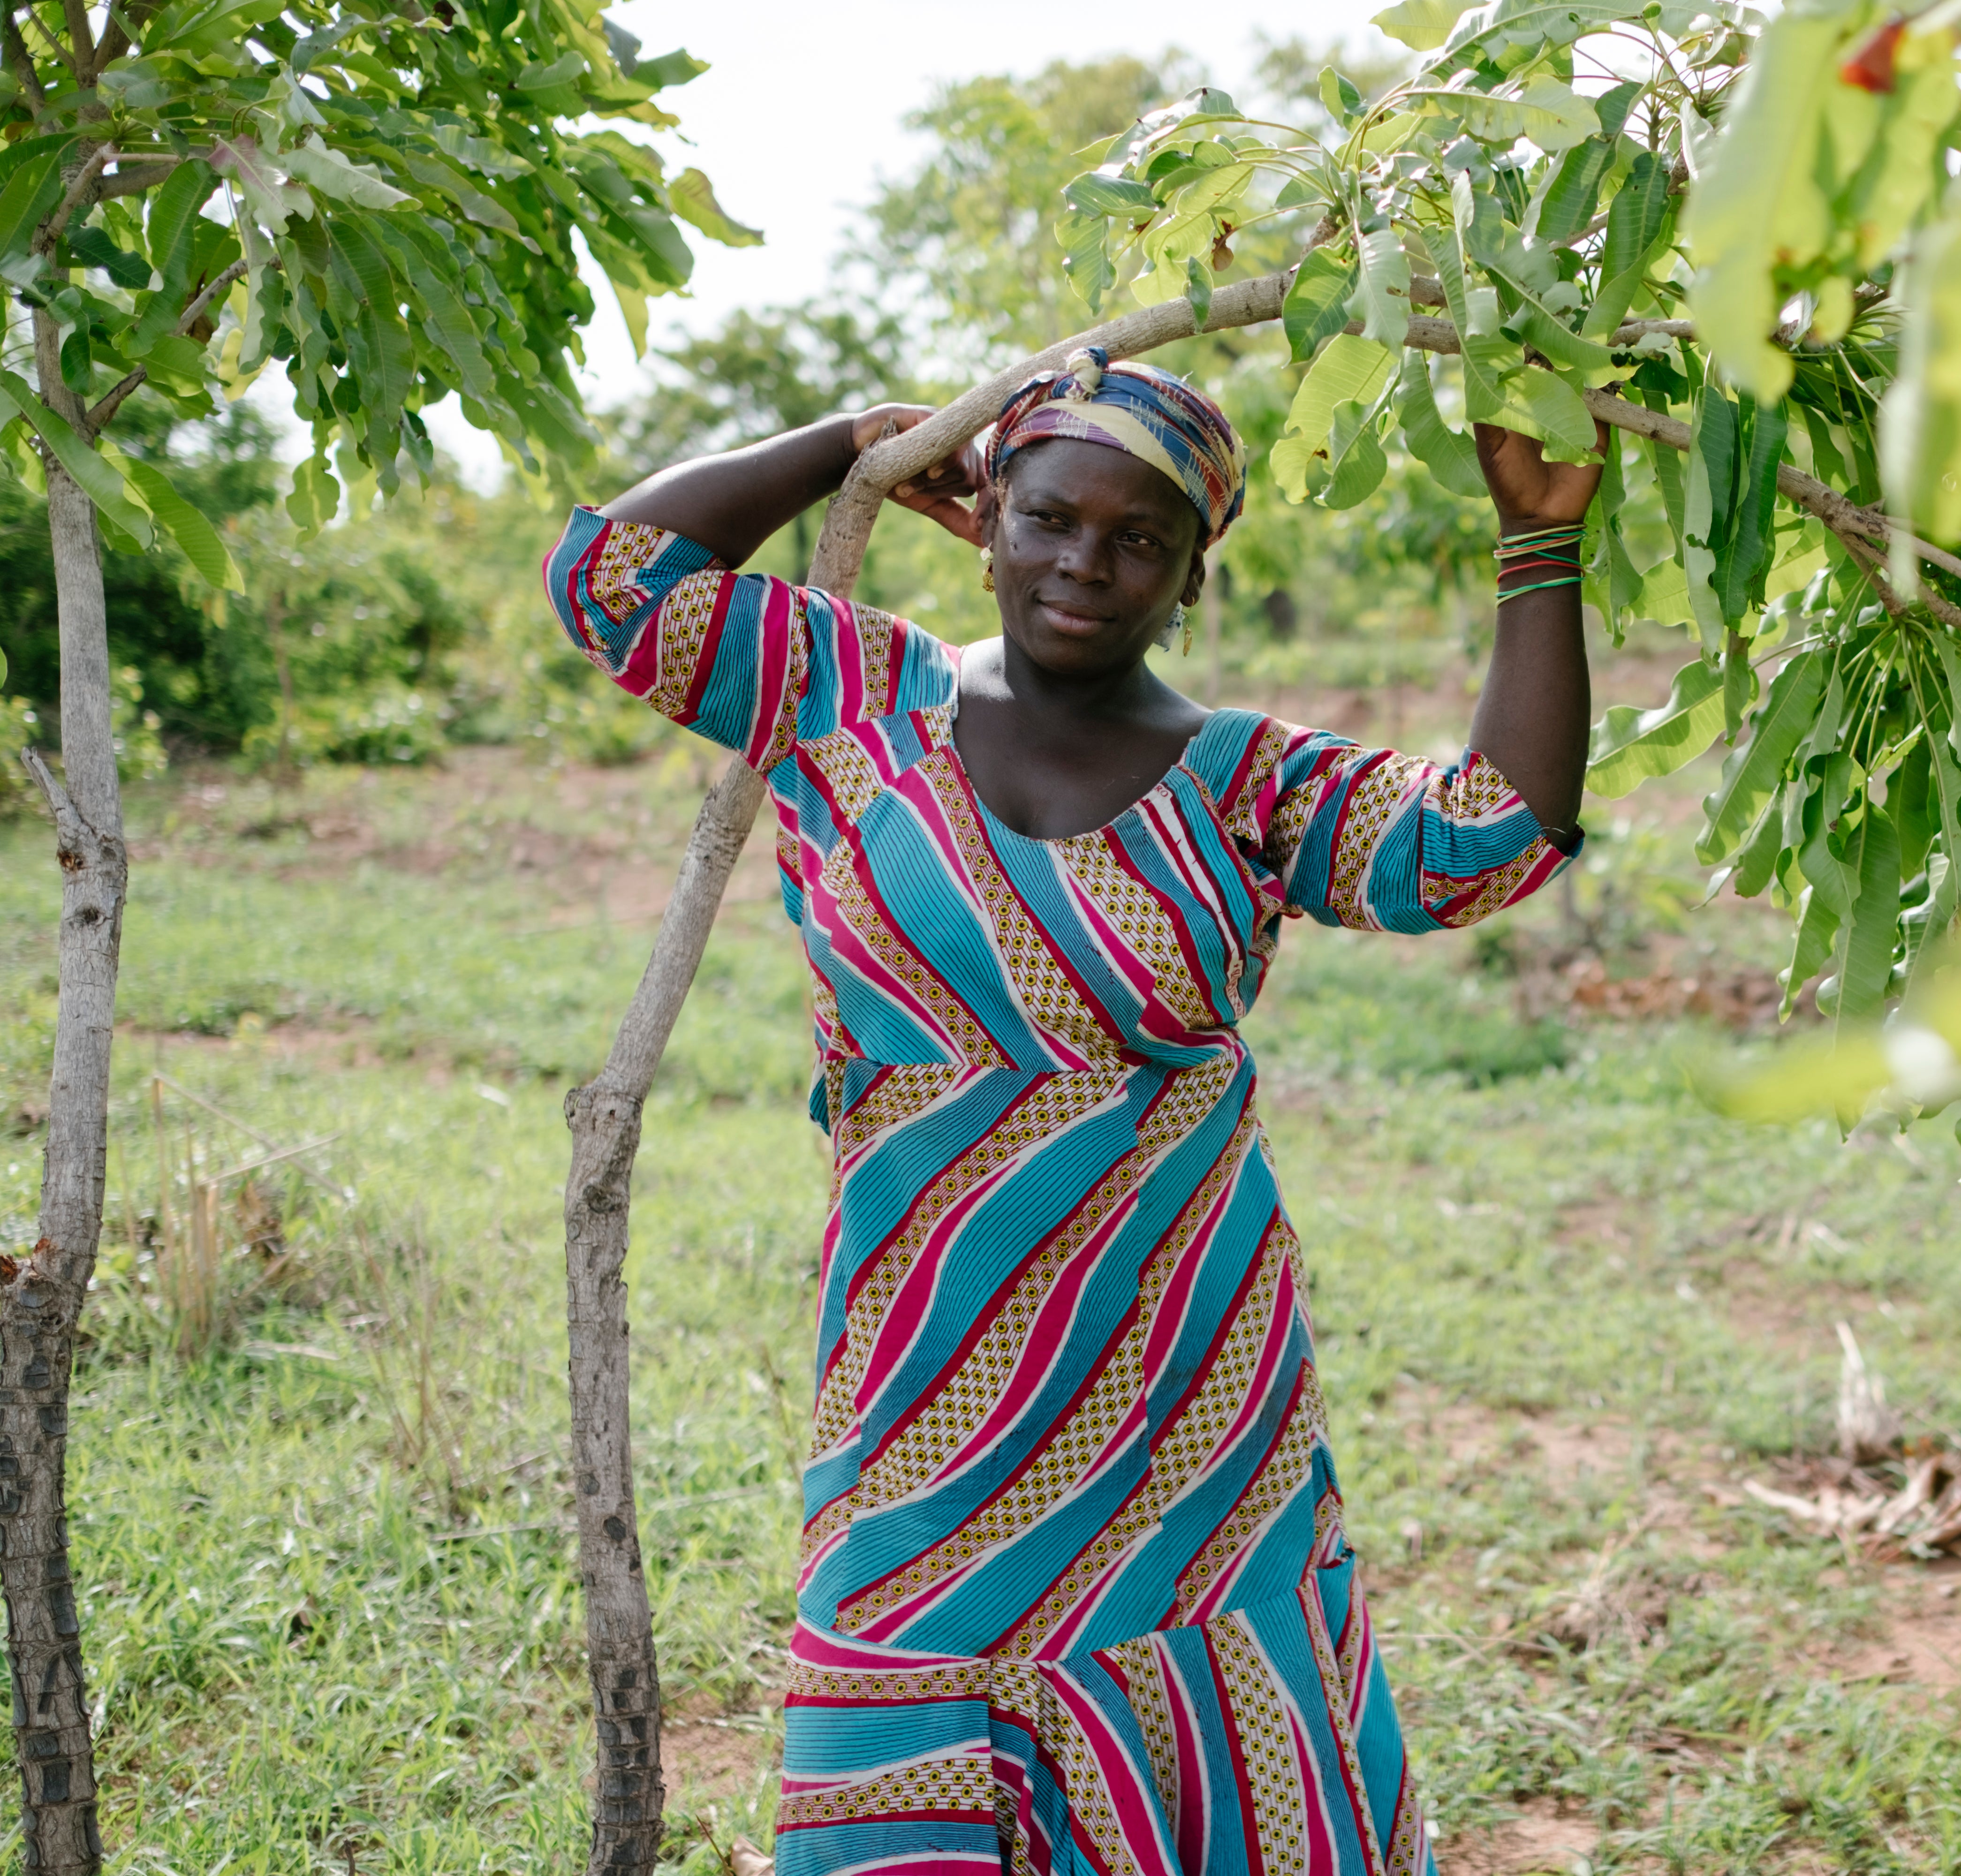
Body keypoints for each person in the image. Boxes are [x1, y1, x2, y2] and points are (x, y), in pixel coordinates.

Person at [543, 345, 1598, 1876]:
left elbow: (1490, 838)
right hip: (924, 1373)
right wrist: (858, 445)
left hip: (1184, 1389)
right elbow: (609, 578)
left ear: (1192, 574)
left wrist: (1540, 544)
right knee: (892, 1701)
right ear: (987, 519)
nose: (1083, 567)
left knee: (1212, 1754)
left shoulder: (1244, 780)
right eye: (1048, 518)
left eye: (1138, 540)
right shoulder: (853, 693)